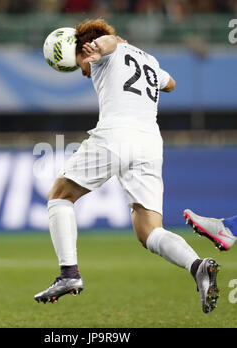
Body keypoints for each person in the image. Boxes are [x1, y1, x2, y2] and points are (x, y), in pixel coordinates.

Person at [34, 19, 220, 314]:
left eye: (78, 63)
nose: (83, 71)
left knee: (59, 196)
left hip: (116, 135)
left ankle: (69, 274)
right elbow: (170, 83)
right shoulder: (147, 59)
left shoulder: (106, 49)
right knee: (149, 231)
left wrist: (99, 49)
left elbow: (110, 44)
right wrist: (142, 69)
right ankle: (197, 266)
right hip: (149, 143)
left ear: (87, 47)